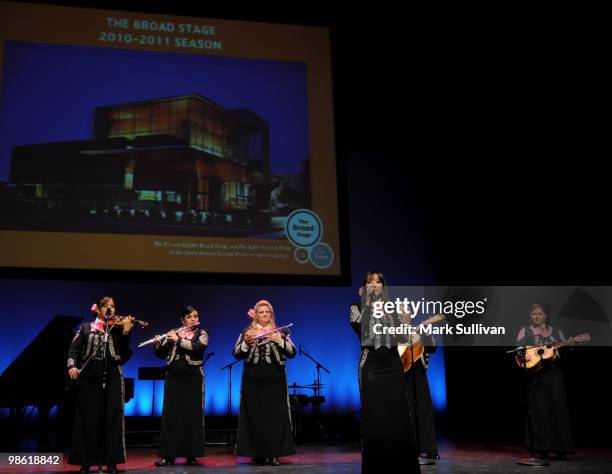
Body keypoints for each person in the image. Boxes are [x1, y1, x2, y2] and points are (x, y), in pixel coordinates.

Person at [349, 271, 420, 472]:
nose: (374, 285)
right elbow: (361, 329)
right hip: (371, 365)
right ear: (364, 287)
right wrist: (369, 304)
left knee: (398, 416)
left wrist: (406, 323)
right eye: (370, 282)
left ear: (383, 286)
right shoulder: (356, 307)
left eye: (378, 282)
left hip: (392, 365)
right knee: (375, 418)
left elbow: (402, 338)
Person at [66, 297, 134, 474]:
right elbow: (73, 349)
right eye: (106, 306)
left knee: (112, 419)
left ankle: (112, 462)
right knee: (88, 420)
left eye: (112, 306)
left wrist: (126, 333)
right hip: (89, 379)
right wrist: (72, 366)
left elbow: (124, 354)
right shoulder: (86, 328)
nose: (110, 309)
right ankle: (86, 462)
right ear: (98, 309)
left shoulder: (117, 330)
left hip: (113, 377)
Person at [233, 299, 296, 466]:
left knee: (274, 417)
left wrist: (279, 340)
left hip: (275, 378)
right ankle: (258, 454)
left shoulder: (280, 331)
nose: (264, 314)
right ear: (255, 315)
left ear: (271, 314)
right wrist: (246, 343)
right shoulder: (247, 331)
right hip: (252, 380)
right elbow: (236, 353)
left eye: (267, 312)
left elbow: (292, 352)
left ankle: (274, 453)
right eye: (261, 312)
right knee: (255, 417)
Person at [515, 303, 574, 461]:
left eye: (539, 314)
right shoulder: (525, 331)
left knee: (557, 410)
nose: (536, 316)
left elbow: (564, 350)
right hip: (536, 377)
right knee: (540, 413)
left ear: (545, 315)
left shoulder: (556, 331)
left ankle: (561, 448)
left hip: (554, 376)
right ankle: (542, 449)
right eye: (533, 314)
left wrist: (568, 345)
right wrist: (532, 354)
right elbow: (519, 350)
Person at [153, 306, 209, 467]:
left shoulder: (202, 333)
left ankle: (191, 454)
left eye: (195, 316)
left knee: (192, 415)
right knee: (170, 416)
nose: (193, 319)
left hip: (193, 378)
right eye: (189, 317)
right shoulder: (173, 332)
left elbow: (198, 348)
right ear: (183, 319)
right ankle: (167, 455)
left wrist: (177, 339)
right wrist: (158, 344)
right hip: (173, 377)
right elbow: (161, 354)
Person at [402, 330, 439, 462]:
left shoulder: (418, 331)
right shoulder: (393, 330)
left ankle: (430, 449)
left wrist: (428, 335)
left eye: (405, 309)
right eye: (401, 309)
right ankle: (412, 448)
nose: (403, 312)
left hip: (419, 371)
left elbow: (432, 348)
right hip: (404, 372)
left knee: (425, 408)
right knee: (408, 411)